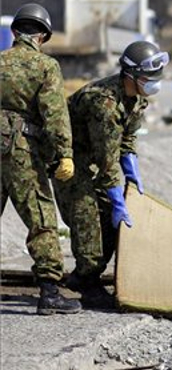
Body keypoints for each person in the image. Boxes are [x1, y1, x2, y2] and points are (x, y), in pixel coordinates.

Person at [53, 40, 168, 308]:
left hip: (93, 158)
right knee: (87, 215)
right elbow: (107, 163)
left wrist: (132, 173)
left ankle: (83, 276)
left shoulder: (137, 97)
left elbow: (126, 141)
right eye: (148, 78)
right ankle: (88, 282)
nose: (154, 84)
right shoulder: (104, 103)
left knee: (110, 218)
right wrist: (117, 200)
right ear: (130, 76)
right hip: (70, 159)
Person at [0, 3, 81, 315]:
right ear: (43, 36)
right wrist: (64, 154)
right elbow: (55, 116)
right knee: (41, 218)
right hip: (20, 150)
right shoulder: (45, 66)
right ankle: (49, 292)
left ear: (14, 31)